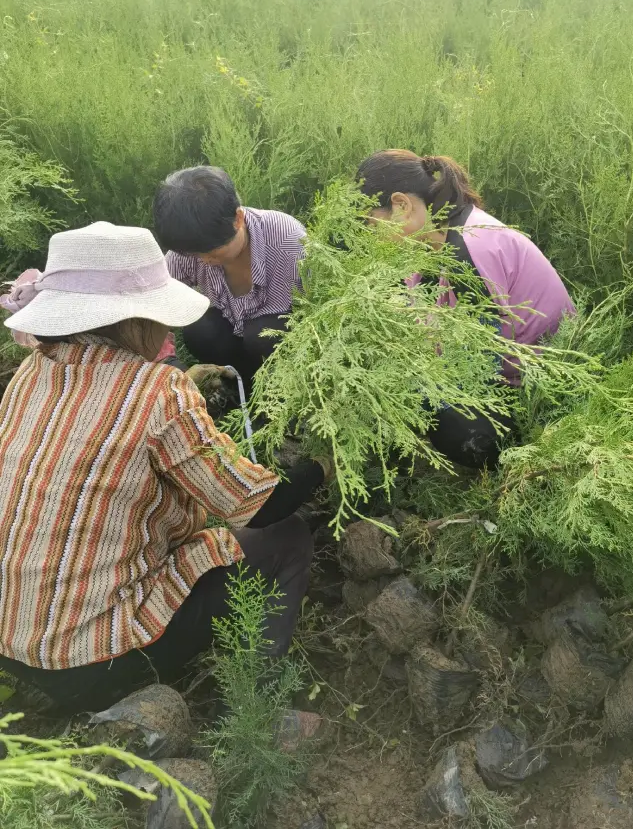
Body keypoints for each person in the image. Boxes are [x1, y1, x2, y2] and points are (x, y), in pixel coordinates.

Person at [0, 221, 328, 714]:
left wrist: (189, 393)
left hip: (13, 642)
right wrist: (323, 465)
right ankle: (259, 703)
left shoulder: (32, 372)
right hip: (93, 662)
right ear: (131, 319)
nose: (168, 329)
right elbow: (257, 506)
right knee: (288, 538)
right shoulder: (158, 391)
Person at [356, 149, 575, 469]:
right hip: (498, 369)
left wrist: (409, 394)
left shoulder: (469, 251)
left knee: (456, 431)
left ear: (401, 205)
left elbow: (475, 376)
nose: (373, 239)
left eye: (372, 225)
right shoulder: (433, 242)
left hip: (537, 389)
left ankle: (517, 450)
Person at [153, 166, 305, 390]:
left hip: (283, 351)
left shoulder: (288, 241)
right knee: (200, 330)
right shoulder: (189, 249)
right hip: (232, 343)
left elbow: (320, 310)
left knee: (262, 336)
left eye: (213, 251)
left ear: (238, 218)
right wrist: (172, 365)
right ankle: (237, 388)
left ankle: (280, 393)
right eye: (195, 254)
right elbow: (155, 305)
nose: (204, 260)